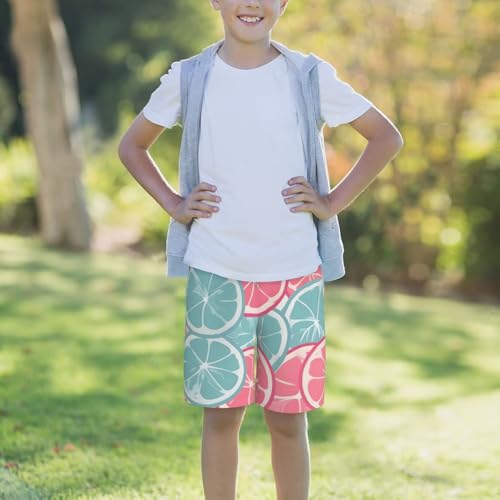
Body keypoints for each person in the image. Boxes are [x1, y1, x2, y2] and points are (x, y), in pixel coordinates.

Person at [118, 1, 403, 498]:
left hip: (294, 275)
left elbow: (385, 137)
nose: (251, 3)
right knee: (221, 416)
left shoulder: (309, 77)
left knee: (289, 419)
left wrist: (332, 202)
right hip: (216, 273)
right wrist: (174, 203)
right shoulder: (190, 78)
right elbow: (132, 146)